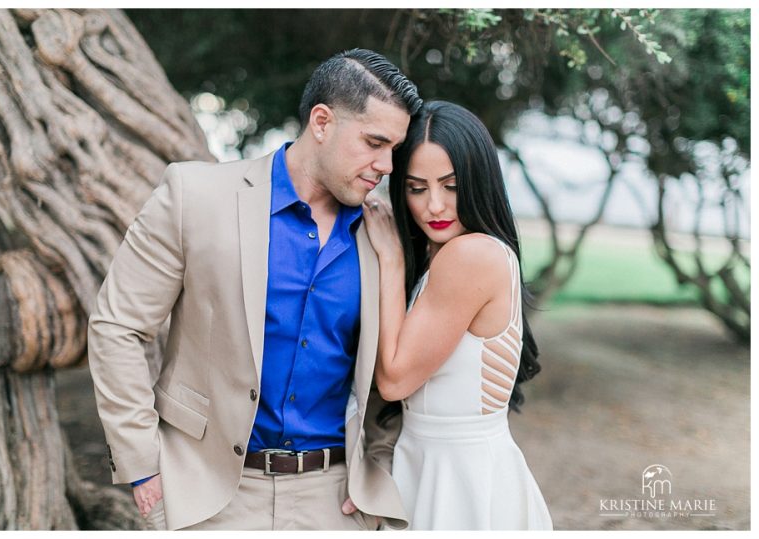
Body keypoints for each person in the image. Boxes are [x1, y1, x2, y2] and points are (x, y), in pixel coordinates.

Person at [87, 48, 421, 530]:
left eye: (394, 148)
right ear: (322, 122)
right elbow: (118, 326)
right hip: (205, 493)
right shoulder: (193, 196)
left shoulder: (385, 236)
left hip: (335, 500)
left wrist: (378, 468)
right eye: (374, 142)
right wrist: (142, 465)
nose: (386, 165)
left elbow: (393, 376)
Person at [362, 100, 553, 530]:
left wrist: (391, 260)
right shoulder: (445, 254)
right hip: (432, 463)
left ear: (479, 182)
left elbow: (394, 380)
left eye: (450, 186)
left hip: (461, 479)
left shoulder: (471, 256)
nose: (434, 206)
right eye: (416, 188)